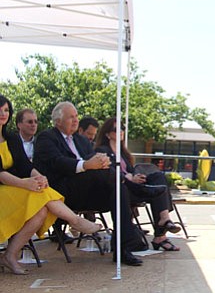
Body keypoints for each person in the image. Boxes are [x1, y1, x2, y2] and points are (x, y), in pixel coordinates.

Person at [33, 102, 144, 266]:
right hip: (63, 192)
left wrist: (102, 161)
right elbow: (58, 162)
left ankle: (122, 249)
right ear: (58, 121)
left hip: (90, 190)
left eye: (76, 116)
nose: (76, 120)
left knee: (118, 191)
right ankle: (138, 191)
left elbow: (94, 159)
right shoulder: (47, 137)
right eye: (71, 117)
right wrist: (85, 165)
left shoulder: (81, 140)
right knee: (115, 182)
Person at [0, 95, 101, 275]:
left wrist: (39, 177)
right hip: (4, 185)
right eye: (0, 109)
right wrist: (25, 183)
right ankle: (75, 220)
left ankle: (10, 255)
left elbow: (25, 165)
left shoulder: (12, 138)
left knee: (42, 208)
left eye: (6, 110)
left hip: (11, 187)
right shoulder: (43, 137)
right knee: (39, 195)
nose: (3, 113)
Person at [94, 117, 181, 251]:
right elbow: (107, 173)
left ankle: (164, 221)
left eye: (123, 128)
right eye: (117, 129)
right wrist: (127, 178)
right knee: (157, 190)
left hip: (133, 187)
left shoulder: (123, 153)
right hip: (118, 190)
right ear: (107, 134)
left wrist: (135, 176)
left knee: (158, 178)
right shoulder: (102, 151)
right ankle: (161, 235)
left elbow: (130, 171)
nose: (121, 131)